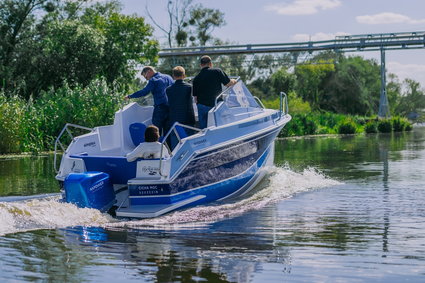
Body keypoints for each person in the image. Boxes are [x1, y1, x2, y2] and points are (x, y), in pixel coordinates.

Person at [125, 66, 173, 134]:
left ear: (149, 71)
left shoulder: (153, 80)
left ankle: (156, 144)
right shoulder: (168, 77)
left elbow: (144, 92)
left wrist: (130, 96)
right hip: (171, 108)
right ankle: (168, 144)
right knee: (168, 131)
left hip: (160, 108)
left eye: (146, 77)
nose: (147, 79)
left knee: (155, 130)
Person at [192, 55, 236, 129]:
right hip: (215, 105)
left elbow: (195, 98)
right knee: (220, 127)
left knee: (204, 130)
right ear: (210, 64)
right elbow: (228, 83)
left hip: (202, 106)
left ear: (201, 65)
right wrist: (234, 81)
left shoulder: (196, 78)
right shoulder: (217, 71)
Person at [166, 66, 196, 149]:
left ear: (173, 76)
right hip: (188, 119)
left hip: (174, 120)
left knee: (176, 147)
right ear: (184, 75)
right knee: (190, 146)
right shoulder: (189, 87)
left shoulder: (168, 89)